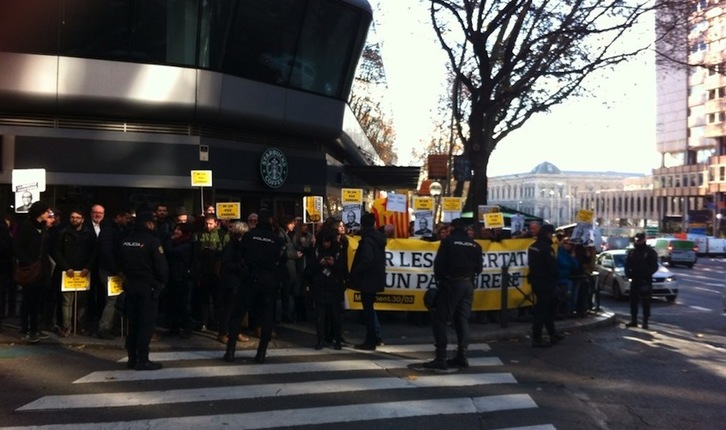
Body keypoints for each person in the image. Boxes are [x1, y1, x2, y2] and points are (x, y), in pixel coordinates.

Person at [414, 218, 482, 372]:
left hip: (451, 284)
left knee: (440, 319)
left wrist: (442, 281)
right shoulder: (475, 245)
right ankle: (462, 355)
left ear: (452, 228)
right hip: (468, 285)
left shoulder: (448, 242)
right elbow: (479, 268)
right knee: (462, 320)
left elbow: (438, 265)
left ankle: (441, 357)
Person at [223, 208, 285, 363]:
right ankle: (261, 353)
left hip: (250, 278)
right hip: (268, 280)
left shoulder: (249, 236)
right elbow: (280, 260)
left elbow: (241, 255)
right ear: (270, 221)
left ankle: (230, 351)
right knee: (266, 318)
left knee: (238, 314)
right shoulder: (276, 239)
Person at [119, 211, 168, 371]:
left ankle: (132, 358)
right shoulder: (153, 242)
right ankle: (143, 359)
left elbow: (120, 262)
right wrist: (161, 284)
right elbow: (161, 268)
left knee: (133, 324)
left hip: (130, 286)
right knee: (146, 325)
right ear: (148, 224)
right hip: (148, 287)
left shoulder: (126, 241)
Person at [13, 201, 52, 343]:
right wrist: (29, 262)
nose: (49, 214)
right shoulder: (26, 227)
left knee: (37, 300)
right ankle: (26, 328)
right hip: (30, 269)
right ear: (40, 213)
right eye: (46, 211)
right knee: (28, 299)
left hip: (41, 269)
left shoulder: (43, 228)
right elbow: (17, 248)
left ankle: (35, 328)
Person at [54, 209, 96, 337]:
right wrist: (66, 267)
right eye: (72, 217)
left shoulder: (89, 234)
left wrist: (88, 267)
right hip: (68, 273)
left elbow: (94, 252)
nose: (75, 220)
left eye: (78, 217)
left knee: (82, 302)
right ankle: (67, 327)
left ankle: (80, 326)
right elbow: (57, 251)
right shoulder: (63, 233)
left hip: (84, 272)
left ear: (82, 219)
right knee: (67, 302)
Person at [349, 212, 386, 351]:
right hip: (375, 279)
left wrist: (356, 272)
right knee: (370, 309)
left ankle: (370, 340)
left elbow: (367, 260)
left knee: (368, 311)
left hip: (367, 280)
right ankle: (374, 338)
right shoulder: (377, 238)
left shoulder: (367, 240)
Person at [96, 208, 131, 339]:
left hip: (112, 269)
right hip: (110, 270)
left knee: (114, 298)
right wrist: (117, 269)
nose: (128, 221)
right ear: (119, 216)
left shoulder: (116, 230)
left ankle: (111, 326)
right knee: (113, 299)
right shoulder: (110, 232)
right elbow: (107, 253)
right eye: (126, 218)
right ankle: (104, 327)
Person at [528, 223, 565, 348]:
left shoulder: (533, 247)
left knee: (546, 310)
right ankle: (537, 338)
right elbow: (552, 267)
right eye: (551, 234)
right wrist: (556, 278)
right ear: (548, 234)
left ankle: (552, 334)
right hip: (546, 283)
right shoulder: (546, 248)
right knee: (543, 311)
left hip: (536, 281)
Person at [309, 231, 346, 350]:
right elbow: (309, 269)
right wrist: (319, 264)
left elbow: (343, 268)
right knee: (320, 317)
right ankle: (320, 340)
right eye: (324, 241)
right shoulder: (316, 251)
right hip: (320, 286)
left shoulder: (338, 251)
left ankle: (337, 340)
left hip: (333, 286)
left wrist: (333, 264)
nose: (326, 244)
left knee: (335, 316)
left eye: (328, 241)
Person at [192, 214, 229, 332]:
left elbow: (226, 252)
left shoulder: (223, 234)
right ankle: (204, 321)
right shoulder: (199, 234)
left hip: (217, 270)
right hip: (203, 270)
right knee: (204, 298)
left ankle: (216, 321)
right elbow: (195, 251)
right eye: (206, 223)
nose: (208, 226)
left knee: (217, 298)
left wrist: (216, 252)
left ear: (216, 223)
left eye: (211, 223)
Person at [164, 222, 195, 338]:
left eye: (179, 230)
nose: (176, 232)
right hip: (174, 276)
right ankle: (175, 327)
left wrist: (170, 241)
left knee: (182, 304)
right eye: (176, 229)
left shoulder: (187, 245)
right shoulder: (179, 242)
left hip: (181, 277)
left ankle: (186, 327)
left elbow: (170, 251)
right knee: (174, 303)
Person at [624, 232, 659, 329]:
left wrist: (646, 274)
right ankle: (633, 320)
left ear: (644, 240)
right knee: (633, 301)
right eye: (637, 240)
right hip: (635, 279)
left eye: (640, 240)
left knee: (646, 301)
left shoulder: (650, 252)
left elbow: (654, 266)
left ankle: (645, 321)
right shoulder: (632, 252)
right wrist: (628, 274)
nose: (638, 241)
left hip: (645, 280)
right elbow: (627, 264)